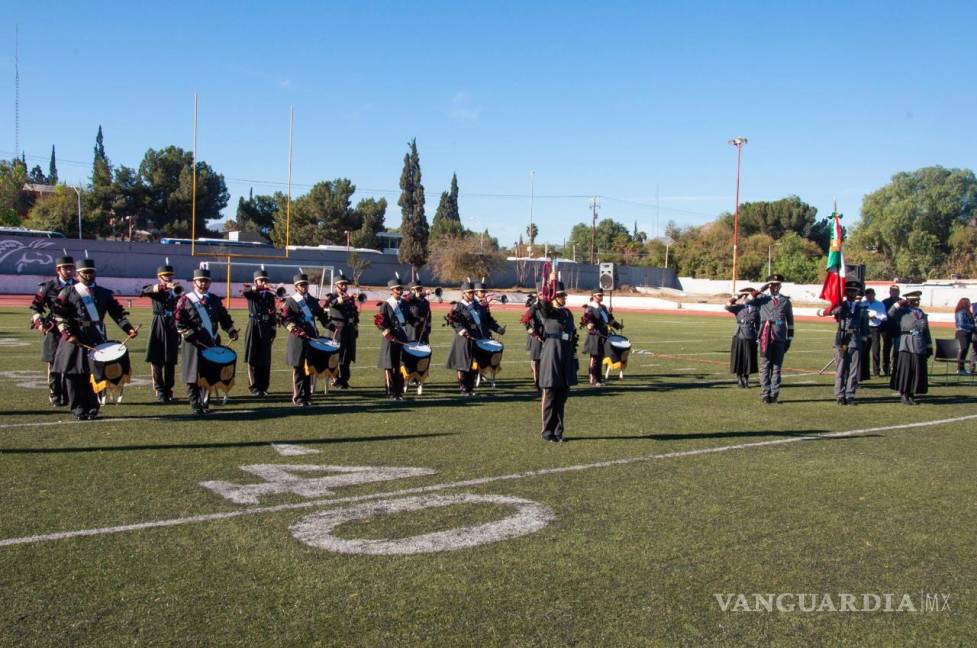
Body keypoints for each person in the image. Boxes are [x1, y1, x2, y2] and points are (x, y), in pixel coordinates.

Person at [52, 259, 137, 420]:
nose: (89, 275)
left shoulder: (104, 293)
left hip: (96, 335)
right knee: (74, 375)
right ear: (77, 275)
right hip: (75, 336)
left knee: (95, 374)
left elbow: (117, 313)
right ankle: (77, 408)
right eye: (85, 272)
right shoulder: (68, 292)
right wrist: (68, 334)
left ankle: (92, 407)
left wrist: (129, 328)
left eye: (91, 272)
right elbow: (59, 316)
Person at [174, 269, 238, 415]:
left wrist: (231, 330)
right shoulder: (185, 299)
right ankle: (195, 403)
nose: (203, 283)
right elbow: (178, 321)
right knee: (192, 375)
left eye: (206, 281)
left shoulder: (215, 299)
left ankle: (205, 402)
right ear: (194, 282)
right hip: (193, 343)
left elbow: (224, 318)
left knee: (208, 374)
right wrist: (189, 334)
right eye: (200, 281)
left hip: (211, 342)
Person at [535, 280, 578, 442]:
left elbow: (573, 336)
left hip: (566, 356)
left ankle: (559, 431)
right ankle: (547, 432)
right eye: (559, 296)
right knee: (550, 397)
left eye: (563, 296)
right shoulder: (547, 312)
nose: (563, 298)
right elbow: (543, 305)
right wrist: (551, 281)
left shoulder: (567, 313)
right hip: (551, 356)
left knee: (562, 397)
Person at [30, 255, 75, 406]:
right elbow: (36, 306)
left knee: (72, 363)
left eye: (71, 268)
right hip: (55, 329)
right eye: (66, 268)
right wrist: (39, 322)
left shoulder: (78, 285)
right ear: (58, 270)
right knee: (54, 364)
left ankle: (70, 395)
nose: (69, 271)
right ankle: (55, 396)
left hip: (74, 329)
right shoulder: (48, 286)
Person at [280, 273, 329, 406]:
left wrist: (330, 325)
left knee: (309, 368)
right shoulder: (291, 301)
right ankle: (298, 397)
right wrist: (295, 329)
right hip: (298, 339)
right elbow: (284, 319)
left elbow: (321, 316)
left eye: (305, 284)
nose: (304, 287)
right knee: (299, 368)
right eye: (301, 285)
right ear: (296, 287)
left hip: (311, 337)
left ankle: (307, 396)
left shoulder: (313, 300)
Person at [141, 265, 181, 403]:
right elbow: (144, 290)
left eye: (170, 275)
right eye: (165, 276)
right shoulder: (156, 289)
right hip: (158, 322)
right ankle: (159, 389)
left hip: (172, 323)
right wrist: (164, 287)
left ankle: (169, 389)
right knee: (157, 359)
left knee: (170, 359)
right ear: (159, 277)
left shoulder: (175, 290)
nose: (168, 278)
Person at [753, 273, 794, 404]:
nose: (775, 287)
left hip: (780, 337)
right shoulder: (762, 299)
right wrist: (761, 288)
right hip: (765, 337)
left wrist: (789, 339)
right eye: (773, 285)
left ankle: (774, 394)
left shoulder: (785, 301)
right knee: (765, 366)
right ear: (769, 286)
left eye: (778, 285)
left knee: (776, 368)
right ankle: (765, 393)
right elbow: (747, 300)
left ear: (781, 286)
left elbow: (790, 322)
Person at [889, 290, 931, 405]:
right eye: (913, 300)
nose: (916, 302)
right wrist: (898, 304)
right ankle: (904, 394)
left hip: (919, 344)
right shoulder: (902, 311)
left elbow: (926, 330)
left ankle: (911, 394)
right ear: (908, 301)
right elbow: (890, 313)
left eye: (917, 300)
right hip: (906, 344)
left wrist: (929, 345)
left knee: (916, 371)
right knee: (906, 371)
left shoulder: (921, 313)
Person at [832, 281, 870, 405]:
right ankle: (839, 395)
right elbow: (834, 313)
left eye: (854, 291)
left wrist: (864, 340)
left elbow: (864, 326)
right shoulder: (841, 306)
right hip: (842, 340)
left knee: (853, 371)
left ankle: (850, 394)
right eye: (849, 291)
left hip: (855, 340)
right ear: (845, 292)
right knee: (841, 369)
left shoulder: (862, 308)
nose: (852, 293)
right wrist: (839, 307)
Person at [241, 270, 278, 396]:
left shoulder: (269, 296)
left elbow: (273, 313)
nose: (264, 283)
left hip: (266, 326)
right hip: (254, 325)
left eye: (265, 281)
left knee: (265, 357)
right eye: (261, 280)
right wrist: (260, 287)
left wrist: (273, 329)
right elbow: (245, 292)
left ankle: (263, 386)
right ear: (255, 282)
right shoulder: (251, 293)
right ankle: (254, 387)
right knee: (253, 357)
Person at [323, 270, 360, 389]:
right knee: (334, 357)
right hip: (337, 331)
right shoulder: (331, 297)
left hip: (349, 330)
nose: (344, 287)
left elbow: (353, 314)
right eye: (341, 284)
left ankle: (344, 379)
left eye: (345, 284)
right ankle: (336, 378)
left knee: (348, 356)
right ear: (336, 285)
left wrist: (355, 327)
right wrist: (343, 298)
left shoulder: (349, 298)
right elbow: (330, 304)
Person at [375, 276, 409, 399]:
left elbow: (409, 320)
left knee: (400, 366)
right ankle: (391, 392)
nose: (400, 290)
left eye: (401, 288)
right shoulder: (386, 305)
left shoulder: (405, 303)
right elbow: (379, 323)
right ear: (392, 290)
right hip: (390, 340)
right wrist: (389, 335)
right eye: (397, 289)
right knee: (389, 366)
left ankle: (399, 391)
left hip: (402, 338)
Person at [445, 281, 482, 395]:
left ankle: (470, 388)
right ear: (464, 293)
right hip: (462, 339)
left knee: (472, 364)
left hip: (473, 337)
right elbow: (452, 320)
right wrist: (461, 329)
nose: (472, 294)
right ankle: (463, 388)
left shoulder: (475, 305)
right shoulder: (458, 306)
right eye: (470, 293)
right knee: (462, 364)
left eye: (473, 292)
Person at [580, 287, 621, 387]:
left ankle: (599, 379)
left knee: (600, 358)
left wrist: (617, 325)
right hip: (595, 335)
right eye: (599, 295)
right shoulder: (590, 307)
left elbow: (608, 320)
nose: (601, 296)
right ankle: (593, 379)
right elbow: (587, 320)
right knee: (594, 358)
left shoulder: (603, 307)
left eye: (602, 295)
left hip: (603, 335)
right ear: (593, 296)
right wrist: (589, 324)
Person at [724, 286, 759, 389]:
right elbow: (727, 306)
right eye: (745, 295)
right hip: (739, 335)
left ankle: (746, 379)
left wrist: (758, 337)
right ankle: (739, 379)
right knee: (739, 358)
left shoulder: (757, 309)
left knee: (748, 359)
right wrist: (737, 296)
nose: (746, 297)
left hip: (750, 335)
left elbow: (758, 324)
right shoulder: (738, 307)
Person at [860, 288, 887, 377]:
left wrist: (876, 316)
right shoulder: (862, 303)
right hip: (865, 328)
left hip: (875, 328)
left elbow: (884, 317)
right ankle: (864, 371)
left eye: (871, 294)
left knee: (876, 350)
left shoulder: (880, 304)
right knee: (864, 351)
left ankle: (876, 371)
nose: (869, 296)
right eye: (867, 294)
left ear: (874, 294)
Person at [521, 292, 544, 393]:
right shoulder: (534, 307)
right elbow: (526, 322)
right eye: (541, 294)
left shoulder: (549, 306)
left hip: (548, 337)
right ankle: (537, 382)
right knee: (536, 360)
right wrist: (534, 334)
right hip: (536, 337)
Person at [403, 277, 433, 344]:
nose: (419, 291)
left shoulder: (425, 302)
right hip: (412, 329)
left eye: (420, 289)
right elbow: (406, 299)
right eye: (417, 289)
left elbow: (429, 316)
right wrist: (419, 295)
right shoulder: (408, 300)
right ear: (411, 290)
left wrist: (428, 328)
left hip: (423, 330)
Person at [881, 285, 901, 376]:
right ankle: (886, 369)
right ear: (890, 292)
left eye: (896, 291)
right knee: (886, 351)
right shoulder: (884, 302)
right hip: (887, 331)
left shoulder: (903, 302)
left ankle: (896, 368)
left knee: (897, 351)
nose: (894, 292)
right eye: (893, 291)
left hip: (898, 330)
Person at [953, 297, 975, 375]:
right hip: (962, 333)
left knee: (965, 350)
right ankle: (959, 368)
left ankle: (962, 368)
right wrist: (973, 326)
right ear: (964, 303)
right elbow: (961, 324)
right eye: (968, 303)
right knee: (962, 350)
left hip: (967, 333)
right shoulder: (960, 312)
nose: (969, 304)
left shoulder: (967, 311)